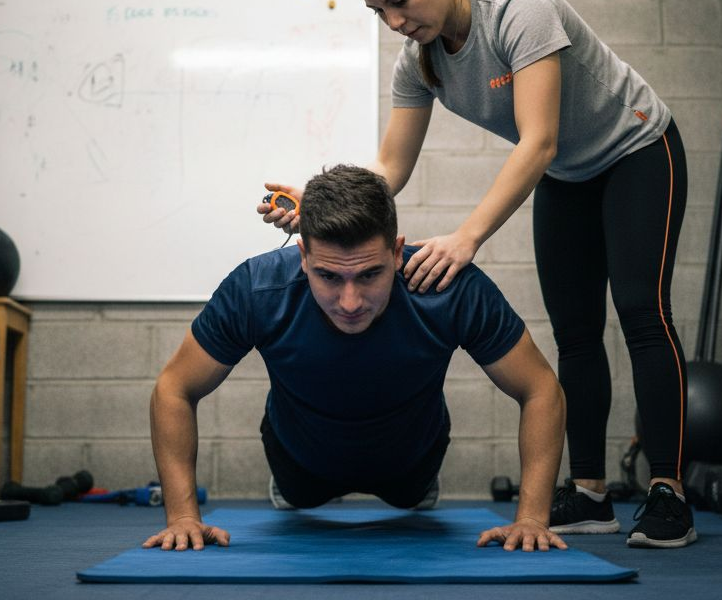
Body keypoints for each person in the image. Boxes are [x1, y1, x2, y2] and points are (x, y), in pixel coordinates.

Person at [258, 0, 695, 548]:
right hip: (570, 173)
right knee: (573, 332)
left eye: (400, 1)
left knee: (640, 310)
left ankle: (667, 490)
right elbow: (389, 170)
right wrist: (320, 200)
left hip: (637, 150)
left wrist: (467, 236)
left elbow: (538, 140)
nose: (397, 23)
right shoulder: (420, 63)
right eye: (381, 12)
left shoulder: (522, 10)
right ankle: (593, 492)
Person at [143, 165, 568, 553]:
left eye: (369, 275)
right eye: (329, 276)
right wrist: (182, 517)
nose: (350, 302)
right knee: (299, 491)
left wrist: (531, 518)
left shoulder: (449, 288)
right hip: (298, 462)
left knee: (410, 490)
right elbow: (174, 388)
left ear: (398, 252)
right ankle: (293, 485)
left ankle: (416, 486)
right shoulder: (257, 290)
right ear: (304, 255)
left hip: (411, 463)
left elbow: (540, 389)